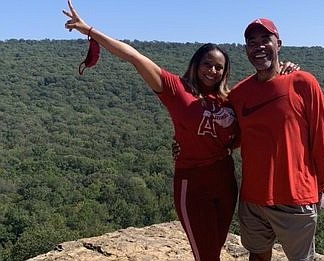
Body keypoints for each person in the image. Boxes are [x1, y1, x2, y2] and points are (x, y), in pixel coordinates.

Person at [63, 2, 298, 260]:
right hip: (192, 184)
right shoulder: (177, 90)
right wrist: (90, 31)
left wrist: (285, 74)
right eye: (207, 64)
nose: (212, 70)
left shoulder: (230, 98)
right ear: (196, 64)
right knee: (206, 255)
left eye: (219, 67)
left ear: (225, 72)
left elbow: (252, 125)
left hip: (225, 182)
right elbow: (134, 57)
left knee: (214, 250)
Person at [228, 18, 324, 261]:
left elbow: (322, 136)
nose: (259, 46)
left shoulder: (302, 83)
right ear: (246, 50)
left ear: (279, 44)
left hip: (295, 196)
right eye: (252, 42)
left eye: (266, 39)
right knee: (258, 256)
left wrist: (321, 187)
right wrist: (185, 143)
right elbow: (223, 132)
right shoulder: (240, 93)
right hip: (253, 197)